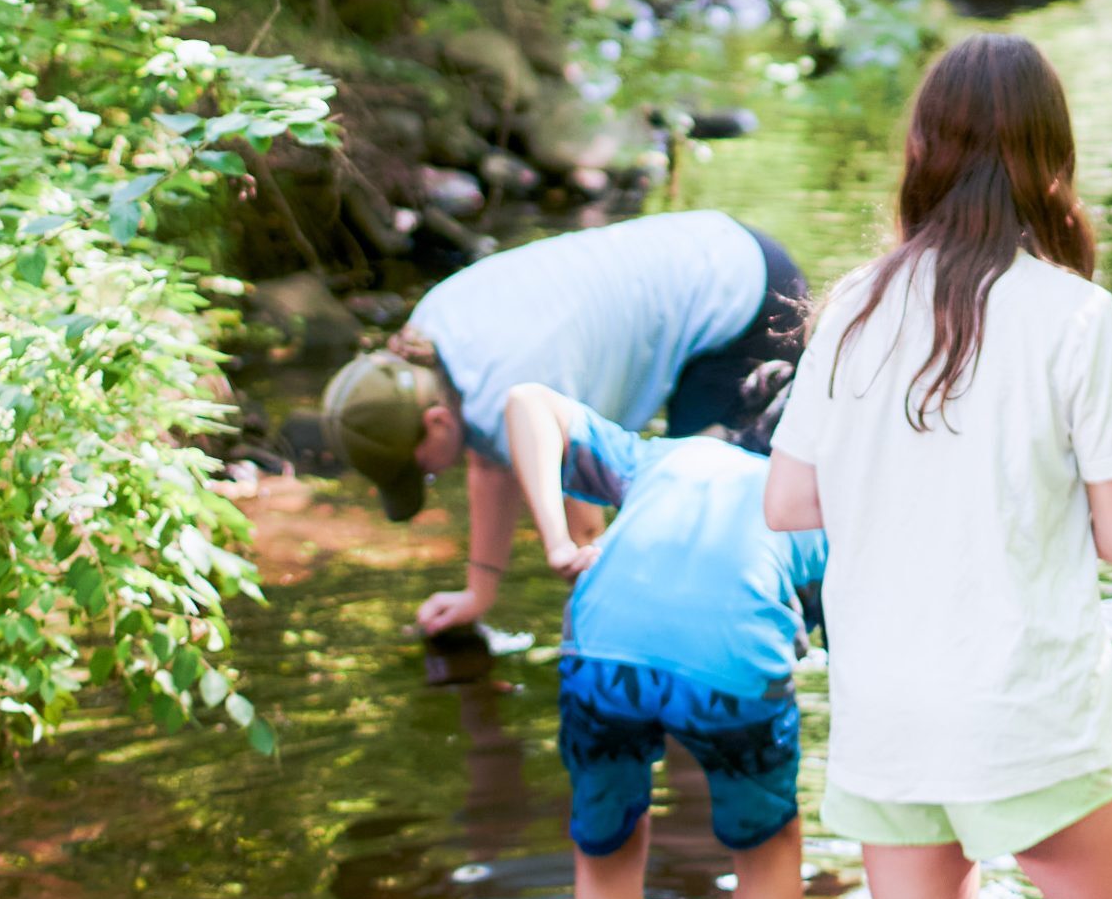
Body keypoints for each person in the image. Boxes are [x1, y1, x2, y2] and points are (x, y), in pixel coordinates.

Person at [762, 34, 1112, 899]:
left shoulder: (854, 303)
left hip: (889, 711)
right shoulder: (1076, 315)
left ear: (924, 150)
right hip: (1024, 707)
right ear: (1051, 155)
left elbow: (787, 502)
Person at [495, 375, 824, 899]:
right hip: (731, 668)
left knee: (608, 851)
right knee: (766, 850)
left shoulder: (665, 456)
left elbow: (525, 402)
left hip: (602, 653)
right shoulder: (819, 498)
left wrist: (560, 543)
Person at [316, 210, 807, 634]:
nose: (432, 476)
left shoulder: (517, 381)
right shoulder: (428, 338)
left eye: (422, 469)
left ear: (438, 422)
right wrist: (478, 594)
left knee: (702, 512)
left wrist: (589, 634)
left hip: (748, 298)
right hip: (708, 243)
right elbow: (492, 462)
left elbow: (585, 528)